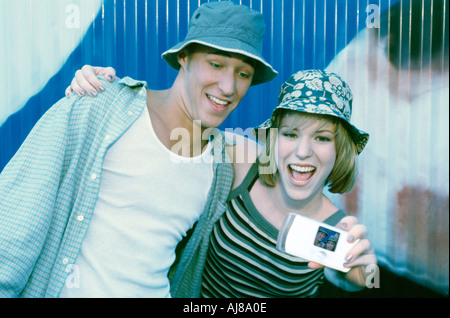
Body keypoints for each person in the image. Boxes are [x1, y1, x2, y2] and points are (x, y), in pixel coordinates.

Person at [0, 1, 278, 298]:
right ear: (184, 57)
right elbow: (12, 229)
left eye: (243, 74)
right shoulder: (99, 104)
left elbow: (297, 179)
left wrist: (332, 245)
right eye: (216, 64)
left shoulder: (224, 164)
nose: (227, 86)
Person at [70, 68, 377, 297]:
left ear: (340, 151)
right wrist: (101, 85)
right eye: (291, 134)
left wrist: (366, 269)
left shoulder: (335, 229)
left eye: (322, 138)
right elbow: (168, 129)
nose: (302, 151)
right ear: (274, 138)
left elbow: (358, 278)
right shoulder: (243, 161)